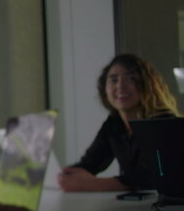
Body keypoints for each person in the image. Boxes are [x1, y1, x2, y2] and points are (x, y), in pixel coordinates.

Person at [58, 53, 179, 192]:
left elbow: (154, 177)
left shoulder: (164, 123)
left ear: (147, 85)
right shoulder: (114, 124)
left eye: (130, 79)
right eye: (114, 80)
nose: (120, 86)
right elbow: (90, 163)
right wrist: (65, 175)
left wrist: (95, 184)